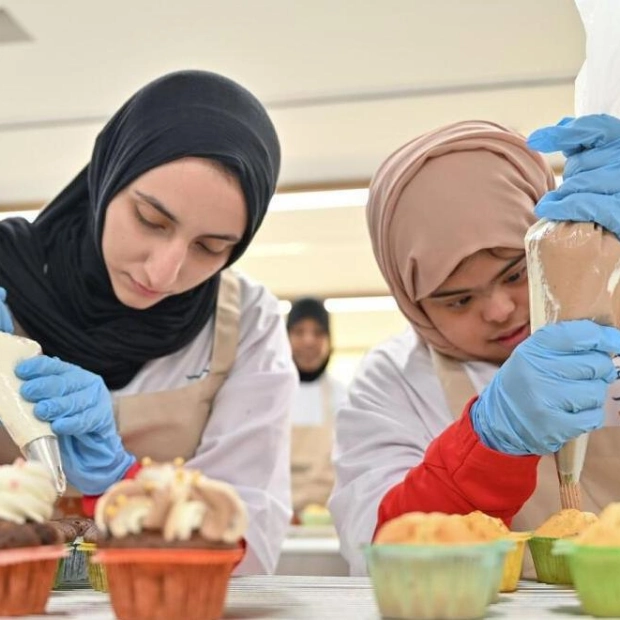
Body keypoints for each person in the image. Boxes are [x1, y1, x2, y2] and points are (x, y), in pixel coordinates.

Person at [0, 70, 297, 575]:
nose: (164, 272)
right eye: (151, 221)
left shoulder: (245, 323)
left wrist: (120, 478)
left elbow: (251, 542)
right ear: (108, 177)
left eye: (210, 247)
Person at [329, 118, 620, 576]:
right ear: (415, 303)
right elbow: (383, 551)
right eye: (459, 299)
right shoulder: (394, 380)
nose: (500, 310)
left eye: (517, 272)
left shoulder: (612, 308)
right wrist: (490, 444)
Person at [286, 297, 347, 517]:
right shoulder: (268, 396)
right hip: (276, 523)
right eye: (299, 332)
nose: (309, 341)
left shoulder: (344, 398)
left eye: (318, 333)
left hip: (327, 524)